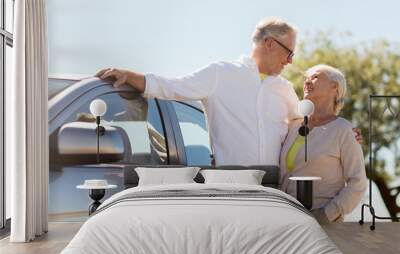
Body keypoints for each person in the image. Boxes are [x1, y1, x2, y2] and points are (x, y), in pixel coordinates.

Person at [96, 17, 300, 166]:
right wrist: (129, 76)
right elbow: (172, 87)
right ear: (270, 43)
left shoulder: (285, 89)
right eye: (289, 52)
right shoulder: (221, 74)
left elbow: (303, 128)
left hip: (275, 191)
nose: (290, 61)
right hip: (233, 186)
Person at [279, 64, 367, 223]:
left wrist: (325, 215)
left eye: (315, 77)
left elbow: (358, 183)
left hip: (326, 226)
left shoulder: (343, 129)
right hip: (288, 221)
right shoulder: (292, 126)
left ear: (335, 87)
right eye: (306, 78)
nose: (307, 82)